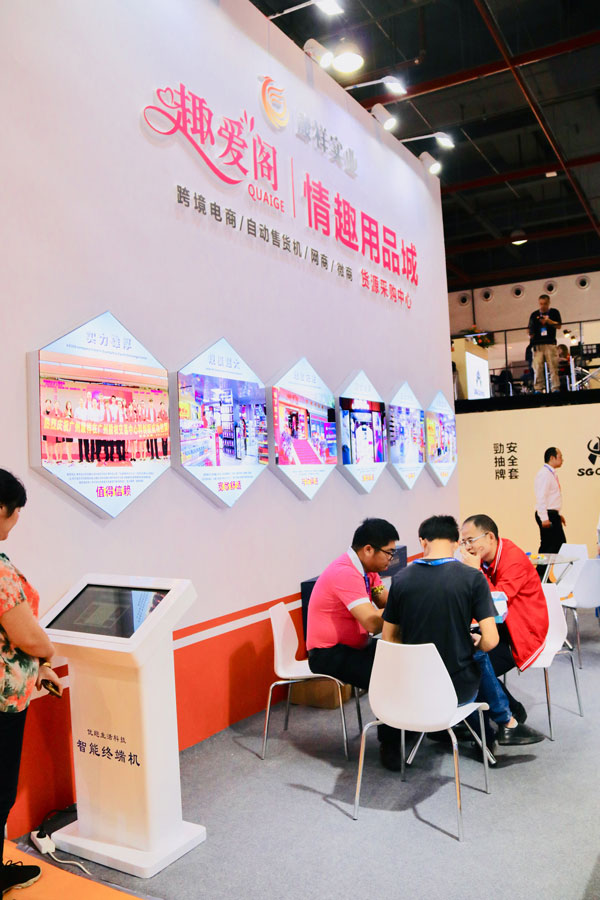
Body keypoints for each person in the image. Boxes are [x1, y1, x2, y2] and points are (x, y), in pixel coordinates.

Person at [383, 516, 544, 748]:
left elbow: (389, 638)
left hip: (415, 687)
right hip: (458, 689)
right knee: (477, 654)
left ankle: (499, 724)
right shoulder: (471, 576)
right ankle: (502, 725)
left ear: (422, 541)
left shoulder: (400, 579)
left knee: (468, 652)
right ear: (456, 542)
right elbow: (490, 640)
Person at [0, 469, 63, 895]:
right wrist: (47, 653)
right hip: (3, 703)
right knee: (1, 789)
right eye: (16, 510)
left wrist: (40, 664)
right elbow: (25, 634)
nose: (18, 519)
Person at [306, 518, 403, 770]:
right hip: (328, 653)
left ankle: (408, 728)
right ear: (368, 549)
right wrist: (405, 610)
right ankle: (390, 745)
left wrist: (404, 601)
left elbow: (386, 602)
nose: (391, 559)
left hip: (355, 647)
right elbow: (372, 622)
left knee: (399, 660)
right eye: (389, 553)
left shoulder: (368, 570)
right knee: (386, 678)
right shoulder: (345, 573)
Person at [460, 514, 549, 729]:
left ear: (490, 537)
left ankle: (510, 712)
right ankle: (493, 714)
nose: (467, 547)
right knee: (462, 655)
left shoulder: (513, 559)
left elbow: (496, 603)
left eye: (471, 540)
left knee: (472, 666)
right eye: (463, 542)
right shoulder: (487, 560)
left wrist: (475, 571)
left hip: (523, 632)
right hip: (502, 626)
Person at [534, 447, 566, 553]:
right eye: (560, 457)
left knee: (558, 545)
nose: (562, 459)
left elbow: (552, 498)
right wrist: (544, 518)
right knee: (549, 546)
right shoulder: (544, 474)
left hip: (552, 514)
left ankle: (546, 565)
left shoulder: (551, 473)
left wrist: (558, 515)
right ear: (552, 458)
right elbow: (541, 497)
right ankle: (540, 565)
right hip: (547, 515)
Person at [527, 293, 562, 392]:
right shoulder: (534, 315)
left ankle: (555, 387)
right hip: (537, 344)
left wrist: (548, 321)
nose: (543, 306)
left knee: (553, 366)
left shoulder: (554, 312)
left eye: (545, 304)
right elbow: (529, 328)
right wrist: (530, 333)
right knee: (537, 367)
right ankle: (538, 388)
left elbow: (559, 325)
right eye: (541, 304)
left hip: (550, 343)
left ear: (549, 303)